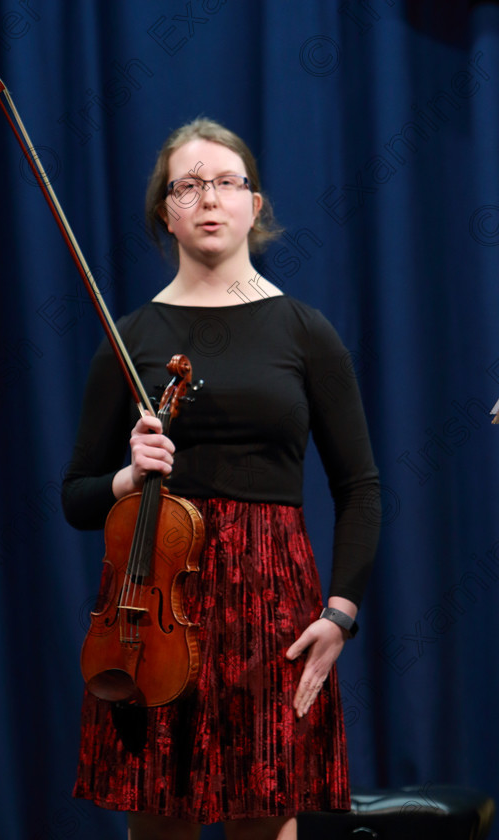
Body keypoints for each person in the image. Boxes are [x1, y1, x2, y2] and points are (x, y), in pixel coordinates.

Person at [62, 118, 380, 840]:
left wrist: (340, 614)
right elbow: (76, 496)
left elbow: (360, 484)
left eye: (226, 182)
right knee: (159, 823)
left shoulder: (305, 331)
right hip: (151, 610)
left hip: (273, 608)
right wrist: (123, 478)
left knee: (267, 823)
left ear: (255, 204)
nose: (209, 198)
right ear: (164, 211)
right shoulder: (130, 337)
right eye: (188, 185)